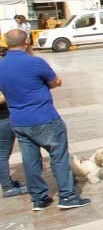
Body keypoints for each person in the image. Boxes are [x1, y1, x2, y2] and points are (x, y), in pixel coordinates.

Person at [0, 29, 89, 210]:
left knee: (30, 160)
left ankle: (39, 198)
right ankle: (67, 196)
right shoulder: (35, 62)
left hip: (18, 120)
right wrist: (56, 83)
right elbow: (53, 81)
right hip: (44, 117)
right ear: (26, 42)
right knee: (59, 156)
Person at [0, 87, 27, 197]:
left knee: (4, 153)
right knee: (2, 154)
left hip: (6, 116)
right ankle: (8, 188)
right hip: (3, 118)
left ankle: (8, 183)